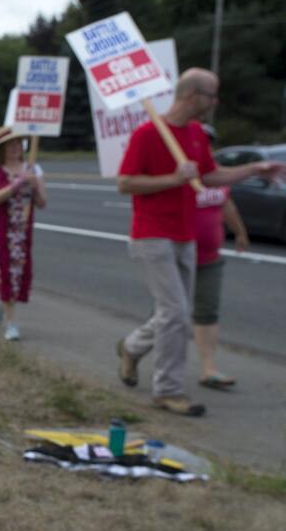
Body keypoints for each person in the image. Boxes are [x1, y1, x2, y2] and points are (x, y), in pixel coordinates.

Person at [115, 67, 286, 416]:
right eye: (211, 95)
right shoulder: (148, 134)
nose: (215, 101)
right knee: (176, 313)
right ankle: (167, 390)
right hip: (151, 234)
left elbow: (211, 176)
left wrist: (254, 170)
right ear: (193, 95)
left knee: (172, 313)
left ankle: (131, 348)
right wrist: (173, 178)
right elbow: (126, 182)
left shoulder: (195, 134)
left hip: (185, 235)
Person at [192, 126, 251, 389]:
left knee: (207, 311)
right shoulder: (183, 172)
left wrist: (240, 233)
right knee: (166, 315)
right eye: (202, 142)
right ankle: (133, 350)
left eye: (210, 144)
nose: (207, 147)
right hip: (178, 254)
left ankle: (209, 370)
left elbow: (226, 204)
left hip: (209, 256)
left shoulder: (216, 175)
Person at [0, 127, 47, 341]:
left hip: (21, 228)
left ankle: (0, 299)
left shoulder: (33, 168)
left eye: (17, 144)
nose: (14, 149)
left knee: (18, 274)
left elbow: (42, 203)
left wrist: (35, 185)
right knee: (4, 271)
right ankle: (11, 323)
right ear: (1, 149)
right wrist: (16, 184)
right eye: (9, 145)